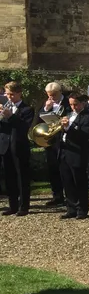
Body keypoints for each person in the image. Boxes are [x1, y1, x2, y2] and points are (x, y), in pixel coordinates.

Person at [57, 93, 89, 220]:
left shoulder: (88, 117)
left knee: (79, 182)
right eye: (71, 104)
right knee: (67, 182)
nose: (73, 107)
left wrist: (68, 127)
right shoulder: (68, 114)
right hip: (64, 151)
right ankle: (71, 208)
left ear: (82, 103)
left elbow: (84, 136)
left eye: (76, 104)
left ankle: (82, 209)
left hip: (77, 153)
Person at [0, 81, 33, 216]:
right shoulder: (5, 107)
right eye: (7, 94)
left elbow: (23, 127)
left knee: (22, 177)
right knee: (9, 177)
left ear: (19, 93)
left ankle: (23, 206)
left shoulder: (27, 109)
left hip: (19, 146)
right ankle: (12, 205)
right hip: (5, 146)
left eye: (12, 94)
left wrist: (11, 116)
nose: (9, 97)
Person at [40, 81, 69, 207]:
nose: (51, 97)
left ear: (59, 92)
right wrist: (46, 108)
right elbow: (40, 119)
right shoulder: (47, 103)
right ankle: (57, 196)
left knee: (65, 170)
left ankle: (70, 196)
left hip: (64, 139)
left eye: (53, 95)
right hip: (51, 140)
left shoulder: (67, 103)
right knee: (53, 169)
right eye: (49, 95)